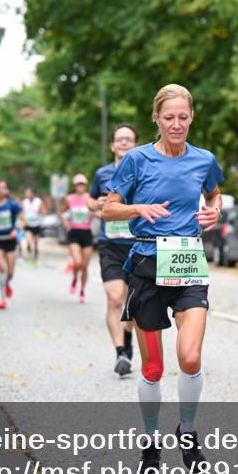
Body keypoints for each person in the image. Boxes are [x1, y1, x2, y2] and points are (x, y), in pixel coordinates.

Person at [102, 84, 224, 472]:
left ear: (192, 117)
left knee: (190, 357)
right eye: (168, 117)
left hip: (188, 261)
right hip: (147, 264)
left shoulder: (204, 160)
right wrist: (139, 208)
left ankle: (187, 432)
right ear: (156, 118)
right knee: (153, 368)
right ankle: (151, 439)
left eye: (183, 118)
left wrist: (214, 212)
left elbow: (215, 194)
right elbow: (108, 210)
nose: (176, 124)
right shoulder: (136, 160)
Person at [89, 124, 140, 376]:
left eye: (128, 140)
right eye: (119, 139)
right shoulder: (102, 174)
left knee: (133, 305)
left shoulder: (144, 172)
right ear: (112, 145)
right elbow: (90, 202)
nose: (123, 143)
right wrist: (97, 203)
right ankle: (121, 352)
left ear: (135, 145)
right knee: (115, 298)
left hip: (137, 245)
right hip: (110, 245)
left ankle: (128, 337)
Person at [0, 180, 24, 310]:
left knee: (11, 273)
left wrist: (16, 230)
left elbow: (23, 220)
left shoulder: (13, 205)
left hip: (10, 240)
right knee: (2, 269)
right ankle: (3, 299)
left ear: (7, 191)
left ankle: (6, 284)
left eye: (4, 188)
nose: (1, 190)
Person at [61, 175, 95, 303]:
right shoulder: (69, 199)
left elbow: (96, 210)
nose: (80, 186)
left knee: (85, 266)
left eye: (83, 184)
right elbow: (61, 212)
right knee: (78, 262)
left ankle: (82, 290)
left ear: (85, 185)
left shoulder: (90, 199)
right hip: (74, 233)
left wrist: (96, 213)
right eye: (78, 184)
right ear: (74, 186)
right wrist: (65, 220)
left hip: (86, 233)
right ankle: (75, 277)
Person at [21, 188, 44, 264]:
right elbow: (21, 212)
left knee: (36, 242)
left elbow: (44, 210)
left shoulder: (38, 201)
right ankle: (29, 250)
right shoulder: (24, 202)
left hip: (37, 224)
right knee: (28, 239)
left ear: (32, 194)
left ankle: (36, 255)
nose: (26, 195)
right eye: (26, 193)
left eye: (28, 193)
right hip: (28, 224)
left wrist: (41, 211)